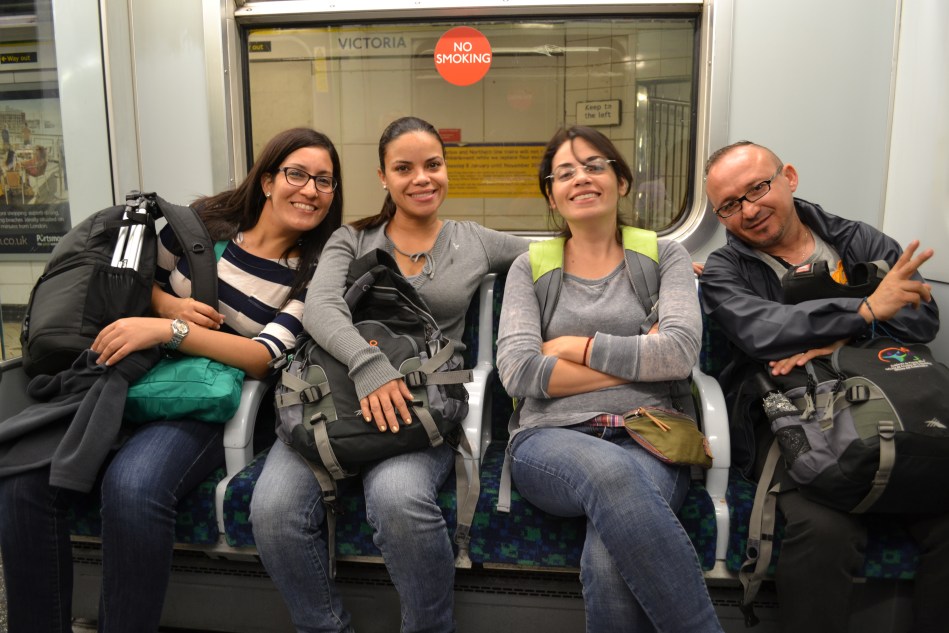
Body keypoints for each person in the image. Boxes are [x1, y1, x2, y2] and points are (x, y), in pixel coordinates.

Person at [0, 127, 343, 632]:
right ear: (268, 180)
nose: (310, 190)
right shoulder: (201, 225)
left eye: (324, 181)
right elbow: (131, 282)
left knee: (133, 488)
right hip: (120, 374)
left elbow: (261, 356)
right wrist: (166, 306)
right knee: (24, 483)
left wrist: (171, 331)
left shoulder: (314, 270)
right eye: (297, 174)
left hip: (202, 399)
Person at [250, 116, 529, 633]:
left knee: (398, 501)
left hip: (418, 407)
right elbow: (321, 309)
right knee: (273, 512)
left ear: (446, 169)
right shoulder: (351, 238)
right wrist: (369, 366)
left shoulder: (473, 241)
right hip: (331, 400)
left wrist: (660, 262)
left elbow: (560, 258)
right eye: (404, 168)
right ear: (383, 176)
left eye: (432, 165)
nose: (421, 178)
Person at [700, 140, 949, 633]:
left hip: (885, 399)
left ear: (789, 177)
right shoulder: (725, 271)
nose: (748, 210)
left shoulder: (859, 241)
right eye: (729, 205)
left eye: (758, 188)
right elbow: (763, 332)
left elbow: (921, 321)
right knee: (825, 529)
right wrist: (865, 310)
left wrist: (839, 338)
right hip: (788, 412)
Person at [495, 125, 723, 633]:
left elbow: (679, 354)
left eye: (595, 166)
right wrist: (641, 359)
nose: (581, 178)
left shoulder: (663, 256)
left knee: (607, 559)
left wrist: (574, 347)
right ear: (551, 196)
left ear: (621, 182)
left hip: (652, 433)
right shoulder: (529, 268)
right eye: (565, 173)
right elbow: (519, 371)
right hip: (549, 438)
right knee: (612, 472)